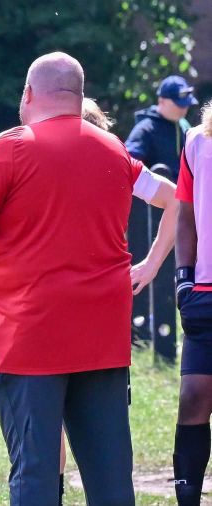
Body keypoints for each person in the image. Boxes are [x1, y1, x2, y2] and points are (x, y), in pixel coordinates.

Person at [0, 52, 168, 504]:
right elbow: (175, 198)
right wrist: (152, 263)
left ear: (28, 95)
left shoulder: (9, 146)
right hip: (103, 337)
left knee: (36, 476)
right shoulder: (114, 148)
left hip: (30, 340)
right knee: (110, 479)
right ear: (79, 96)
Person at [125, 75, 197, 354]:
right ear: (162, 101)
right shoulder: (146, 127)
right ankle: (146, 333)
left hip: (185, 210)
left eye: (186, 103)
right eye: (178, 104)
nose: (183, 109)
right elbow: (130, 158)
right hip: (154, 216)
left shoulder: (184, 125)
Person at [173, 103, 212, 505]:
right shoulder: (198, 140)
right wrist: (184, 276)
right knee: (193, 398)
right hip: (204, 296)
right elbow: (184, 212)